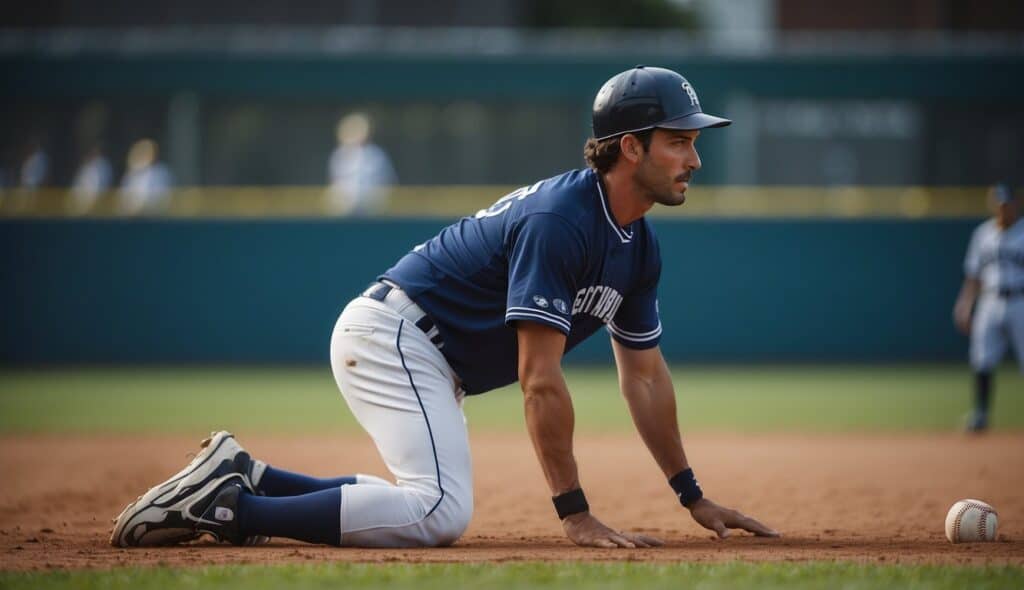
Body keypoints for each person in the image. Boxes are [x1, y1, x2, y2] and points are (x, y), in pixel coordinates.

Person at [111, 66, 779, 549]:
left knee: (422, 500)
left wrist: (691, 496)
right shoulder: (561, 221)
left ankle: (249, 477)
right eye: (679, 141)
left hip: (422, 350)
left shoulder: (638, 244)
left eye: (694, 142)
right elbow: (539, 379)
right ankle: (231, 509)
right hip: (395, 336)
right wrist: (574, 512)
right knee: (437, 512)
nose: (694, 157)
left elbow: (645, 377)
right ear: (631, 146)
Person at [953, 183, 1024, 433]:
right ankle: (981, 414)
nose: (1003, 209)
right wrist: (965, 304)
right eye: (999, 205)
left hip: (1020, 300)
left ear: (1016, 204)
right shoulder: (982, 234)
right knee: (982, 357)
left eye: (1006, 204)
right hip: (990, 299)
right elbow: (973, 275)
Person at [326, 112, 396, 216]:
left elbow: (388, 180)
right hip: (344, 209)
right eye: (351, 130)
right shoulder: (339, 155)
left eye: (358, 130)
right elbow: (334, 181)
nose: (355, 134)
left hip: (372, 208)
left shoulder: (376, 154)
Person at [119, 139, 172, 215]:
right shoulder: (133, 172)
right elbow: (124, 196)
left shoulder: (162, 171)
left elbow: (164, 197)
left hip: (155, 216)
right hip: (133, 217)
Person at [70, 145, 113, 213]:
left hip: (95, 206)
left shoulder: (102, 165)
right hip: (80, 205)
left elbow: (100, 188)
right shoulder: (86, 167)